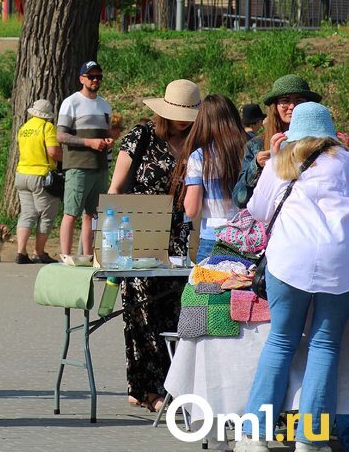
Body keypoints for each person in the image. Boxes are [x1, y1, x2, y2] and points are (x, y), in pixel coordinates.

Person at [234, 103, 349, 452]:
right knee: (324, 346)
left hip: (288, 261)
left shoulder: (281, 162)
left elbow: (255, 210)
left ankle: (254, 435)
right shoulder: (345, 162)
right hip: (339, 262)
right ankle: (311, 439)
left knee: (281, 342)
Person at [107, 79, 200, 412]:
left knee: (171, 311)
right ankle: (148, 388)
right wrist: (113, 240)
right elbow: (116, 188)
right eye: (178, 113)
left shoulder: (195, 144)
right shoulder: (141, 136)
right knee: (140, 313)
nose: (184, 120)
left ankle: (161, 386)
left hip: (176, 235)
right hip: (138, 228)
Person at [172, 93, 247, 263]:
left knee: (208, 288)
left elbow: (192, 210)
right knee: (242, 289)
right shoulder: (250, 150)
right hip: (248, 237)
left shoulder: (199, 156)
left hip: (213, 238)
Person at [233, 75, 321, 208]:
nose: (292, 106)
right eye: (285, 100)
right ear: (275, 106)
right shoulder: (257, 146)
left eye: (300, 100)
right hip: (271, 223)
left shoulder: (321, 143)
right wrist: (256, 166)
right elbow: (240, 200)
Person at [56, 60, 113, 260]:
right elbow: (61, 136)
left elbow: (106, 133)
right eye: (91, 76)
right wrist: (89, 142)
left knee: (93, 214)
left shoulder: (105, 105)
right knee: (71, 212)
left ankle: (89, 257)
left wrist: (108, 141)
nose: (95, 80)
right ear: (82, 79)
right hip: (78, 166)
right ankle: (65, 255)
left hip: (99, 167)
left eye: (99, 76)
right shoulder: (71, 102)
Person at [13, 99, 62, 264]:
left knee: (27, 213)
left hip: (21, 174)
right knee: (46, 214)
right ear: (47, 116)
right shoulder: (46, 127)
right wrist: (66, 159)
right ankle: (39, 252)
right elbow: (53, 152)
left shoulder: (24, 128)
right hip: (40, 175)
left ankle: (21, 252)